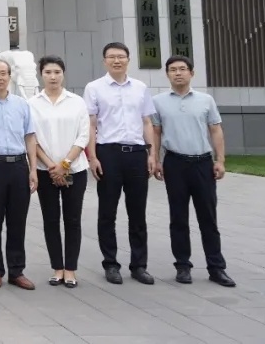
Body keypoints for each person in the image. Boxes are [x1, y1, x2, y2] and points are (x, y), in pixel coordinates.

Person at [152, 55, 235, 287]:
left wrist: (220, 160)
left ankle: (216, 268)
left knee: (208, 217)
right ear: (167, 74)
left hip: (202, 163)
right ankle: (182, 266)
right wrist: (155, 160)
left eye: (182, 69)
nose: (178, 73)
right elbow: (156, 132)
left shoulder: (205, 100)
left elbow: (215, 130)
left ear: (191, 73)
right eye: (173, 70)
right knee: (178, 217)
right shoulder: (158, 101)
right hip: (174, 163)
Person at [85, 42, 157, 285]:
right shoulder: (94, 88)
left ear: (128, 59)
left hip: (136, 153)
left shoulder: (140, 87)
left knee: (138, 213)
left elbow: (146, 122)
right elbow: (91, 125)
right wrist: (92, 157)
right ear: (104, 60)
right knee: (107, 212)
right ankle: (111, 264)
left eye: (121, 56)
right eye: (112, 57)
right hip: (108, 153)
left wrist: (151, 154)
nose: (117, 61)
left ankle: (139, 265)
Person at [28, 56, 90, 289]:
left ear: (63, 74)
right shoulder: (32, 104)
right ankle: (57, 268)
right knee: (51, 219)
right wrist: (50, 165)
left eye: (57, 72)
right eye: (48, 72)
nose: (52, 77)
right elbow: (31, 137)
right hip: (45, 171)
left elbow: (84, 135)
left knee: (72, 220)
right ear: (41, 75)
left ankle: (70, 269)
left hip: (75, 169)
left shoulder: (77, 102)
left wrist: (65, 164)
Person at [0, 57, 38, 290]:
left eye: (3, 73)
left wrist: (33, 169)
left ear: (10, 76)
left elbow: (30, 137)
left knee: (17, 221)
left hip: (18, 166)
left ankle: (16, 271)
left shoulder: (22, 105)